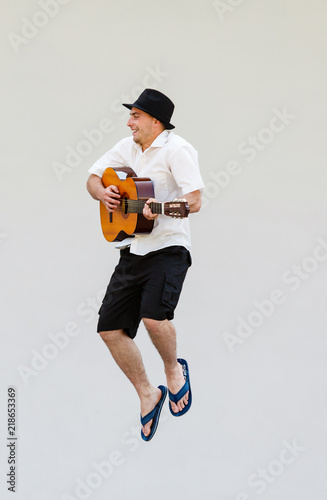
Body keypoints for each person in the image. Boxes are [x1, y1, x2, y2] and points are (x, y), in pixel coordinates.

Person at [86, 88, 204, 441]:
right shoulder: (126, 148)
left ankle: (173, 370)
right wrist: (102, 193)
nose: (129, 122)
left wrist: (163, 208)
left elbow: (195, 201)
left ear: (156, 121)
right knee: (109, 330)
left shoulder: (177, 149)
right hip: (132, 249)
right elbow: (93, 178)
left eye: (135, 116)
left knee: (154, 317)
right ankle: (147, 394)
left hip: (168, 248)